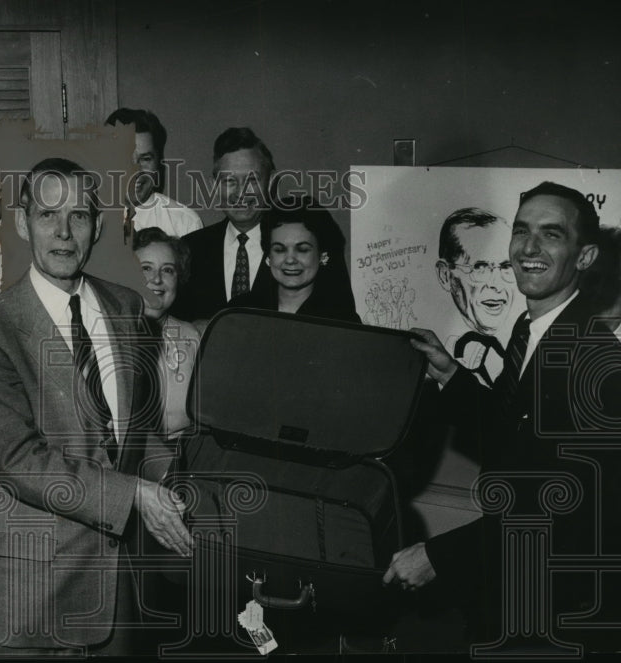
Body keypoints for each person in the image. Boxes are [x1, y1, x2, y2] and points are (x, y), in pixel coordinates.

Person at [0, 158, 192, 655]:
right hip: (28, 595)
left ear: (98, 226)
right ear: (21, 222)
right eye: (47, 215)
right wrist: (136, 497)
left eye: (78, 216)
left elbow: (136, 435)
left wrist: (186, 485)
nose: (63, 233)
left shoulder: (127, 306)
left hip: (116, 590)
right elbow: (18, 461)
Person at [383, 182, 621, 650]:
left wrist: (438, 555)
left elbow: (565, 507)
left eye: (551, 234)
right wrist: (452, 374)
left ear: (586, 256)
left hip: (562, 610)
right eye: (521, 231)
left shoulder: (596, 364)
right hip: (513, 591)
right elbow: (514, 434)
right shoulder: (529, 328)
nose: (529, 248)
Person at [170, 127, 277, 323]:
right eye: (229, 181)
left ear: (269, 183)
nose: (240, 193)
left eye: (252, 180)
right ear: (214, 187)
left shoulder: (297, 250)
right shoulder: (189, 250)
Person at [230, 204, 360, 322]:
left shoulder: (342, 321)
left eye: (302, 250)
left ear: (322, 256)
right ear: (268, 257)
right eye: (279, 250)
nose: (290, 259)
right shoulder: (238, 312)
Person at [435, 208, 516, 386]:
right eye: (480, 267)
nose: (496, 284)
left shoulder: (535, 347)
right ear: (445, 275)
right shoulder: (430, 367)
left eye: (506, 266)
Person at [133, 227, 201, 440]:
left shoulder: (192, 336)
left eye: (168, 270)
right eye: (146, 268)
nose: (157, 279)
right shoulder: (105, 335)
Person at [105, 108, 202, 239]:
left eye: (145, 159)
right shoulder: (88, 219)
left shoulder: (185, 224)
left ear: (158, 163)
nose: (136, 171)